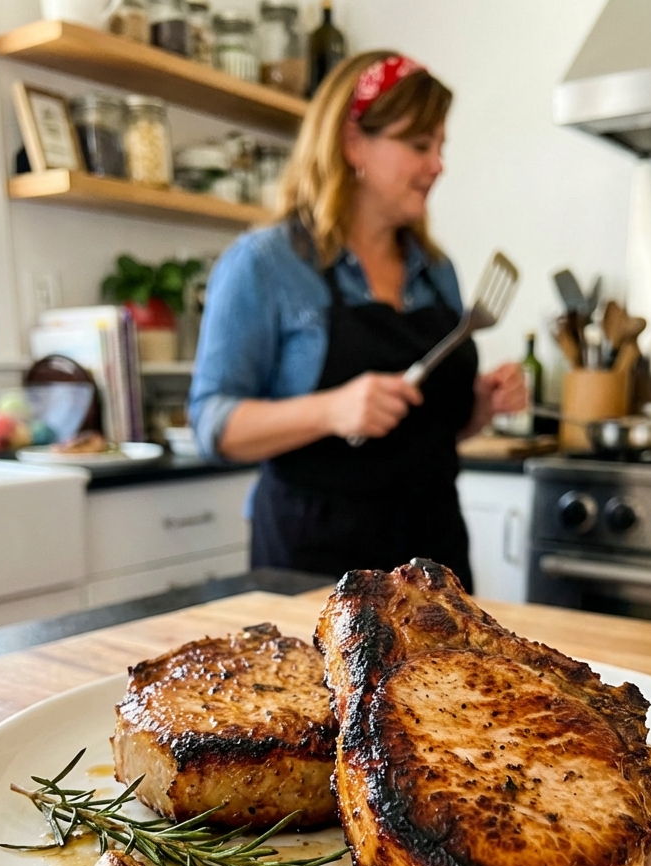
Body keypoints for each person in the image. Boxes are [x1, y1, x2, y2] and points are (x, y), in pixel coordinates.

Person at [188, 50, 526, 590]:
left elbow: (435, 430)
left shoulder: (436, 271)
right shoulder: (266, 264)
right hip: (313, 561)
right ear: (352, 142)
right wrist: (332, 410)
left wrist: (481, 406)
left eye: (440, 147)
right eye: (420, 145)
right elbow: (212, 425)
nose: (437, 165)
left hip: (434, 560)